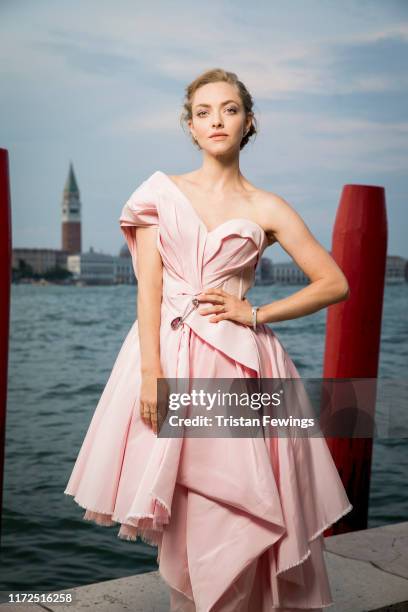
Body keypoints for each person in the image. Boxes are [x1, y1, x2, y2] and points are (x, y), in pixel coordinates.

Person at [64, 68, 353, 611]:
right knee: (188, 508)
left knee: (240, 507)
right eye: (203, 112)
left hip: (243, 366)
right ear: (191, 128)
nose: (215, 120)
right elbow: (148, 290)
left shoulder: (267, 206)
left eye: (228, 109)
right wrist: (153, 377)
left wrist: (256, 311)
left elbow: (334, 282)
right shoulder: (159, 193)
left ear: (248, 123)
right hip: (169, 359)